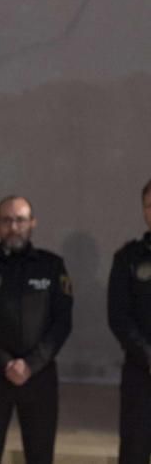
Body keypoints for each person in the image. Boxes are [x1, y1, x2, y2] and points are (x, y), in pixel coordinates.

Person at [0, 195, 73, 464]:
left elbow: (62, 322)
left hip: (40, 377)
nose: (14, 226)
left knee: (40, 455)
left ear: (32, 223)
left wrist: (31, 364)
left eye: (20, 220)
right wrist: (6, 363)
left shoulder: (52, 266)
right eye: (7, 220)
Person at [108, 179, 151, 464]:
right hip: (141, 374)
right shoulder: (128, 258)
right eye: (149, 206)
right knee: (134, 453)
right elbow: (119, 316)